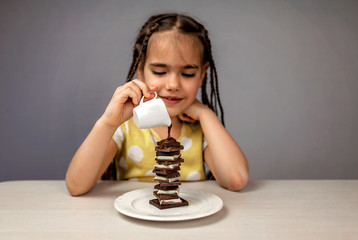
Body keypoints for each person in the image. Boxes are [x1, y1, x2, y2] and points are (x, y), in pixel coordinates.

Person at [66, 13, 248, 196]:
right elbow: (76, 186)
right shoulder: (125, 127)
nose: (173, 85)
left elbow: (236, 179)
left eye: (188, 74)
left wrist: (205, 114)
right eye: (160, 72)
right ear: (141, 71)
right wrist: (107, 123)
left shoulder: (202, 129)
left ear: (202, 75)